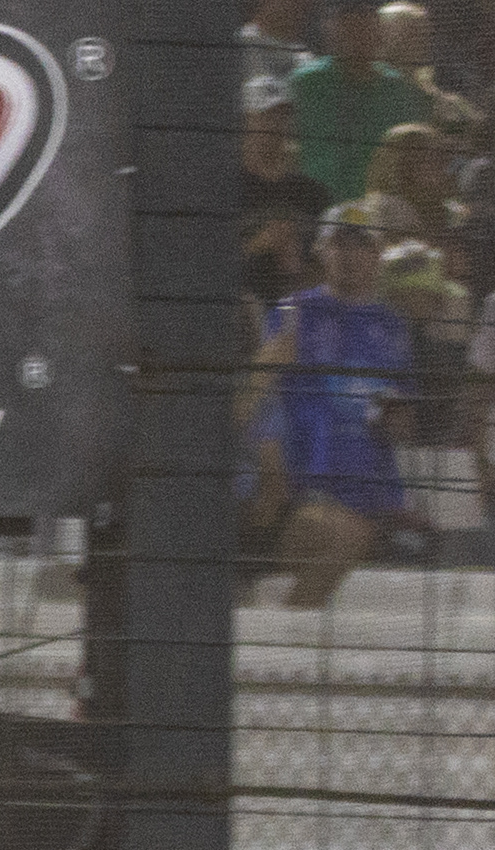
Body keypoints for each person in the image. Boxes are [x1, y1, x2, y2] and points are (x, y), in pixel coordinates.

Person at [251, 201, 424, 603]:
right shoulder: (293, 313)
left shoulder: (392, 325)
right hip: (304, 485)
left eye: (361, 244)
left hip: (373, 492)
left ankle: (288, 633)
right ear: (320, 250)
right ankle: (286, 636)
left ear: (378, 253)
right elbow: (263, 398)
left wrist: (396, 418)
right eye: (339, 243)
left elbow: (403, 418)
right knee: (344, 537)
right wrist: (270, 468)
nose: (349, 254)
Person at [297, 0, 417, 195]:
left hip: (377, 208)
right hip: (318, 204)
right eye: (347, 27)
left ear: (379, 31)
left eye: (363, 26)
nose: (356, 37)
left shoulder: (397, 88)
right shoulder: (308, 82)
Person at [245, 77, 335, 303]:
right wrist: (259, 244)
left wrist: (298, 268)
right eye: (266, 115)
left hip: (303, 308)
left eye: (282, 115)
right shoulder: (223, 189)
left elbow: (331, 269)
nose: (276, 124)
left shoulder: (314, 194)